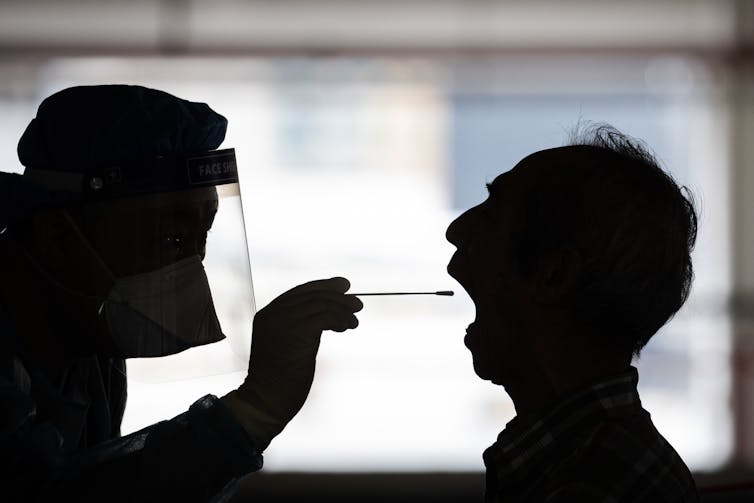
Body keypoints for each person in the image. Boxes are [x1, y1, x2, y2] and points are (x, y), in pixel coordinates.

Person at [0, 85, 363, 502]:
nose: (192, 266)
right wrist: (254, 410)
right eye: (171, 238)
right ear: (58, 235)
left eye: (202, 236)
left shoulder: (88, 343)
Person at [446, 125, 700, 502]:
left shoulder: (590, 488)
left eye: (493, 210)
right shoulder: (603, 459)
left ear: (554, 275)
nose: (456, 230)